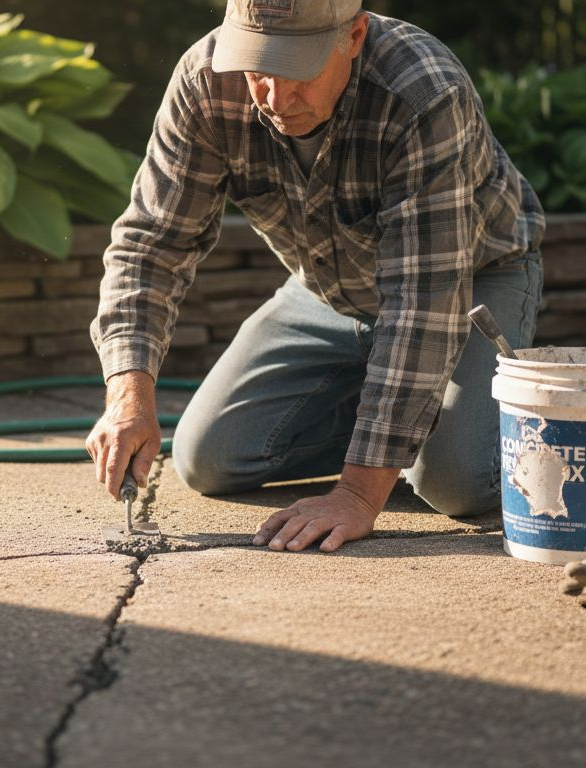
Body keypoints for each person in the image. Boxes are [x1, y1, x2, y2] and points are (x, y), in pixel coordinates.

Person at [85, 0, 545, 552]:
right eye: (257, 71)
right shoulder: (206, 81)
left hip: (471, 282)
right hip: (324, 290)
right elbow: (152, 244)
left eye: (295, 70)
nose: (274, 100)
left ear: (352, 35)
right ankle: (399, 424)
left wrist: (356, 493)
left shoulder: (424, 90)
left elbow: (424, 303)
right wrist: (128, 395)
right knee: (207, 458)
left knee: (454, 483)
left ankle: (415, 438)